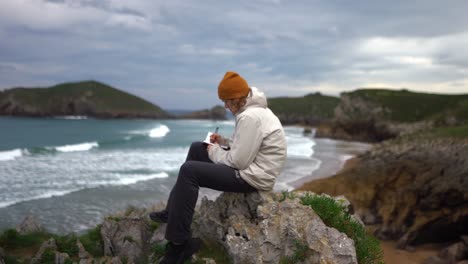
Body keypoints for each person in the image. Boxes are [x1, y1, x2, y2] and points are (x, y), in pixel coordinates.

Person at [150, 71, 287, 264]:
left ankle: (178, 247)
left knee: (189, 171)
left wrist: (214, 150)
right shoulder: (254, 110)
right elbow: (246, 143)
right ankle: (171, 212)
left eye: (228, 101)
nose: (225, 106)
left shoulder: (250, 117)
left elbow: (238, 162)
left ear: (239, 98)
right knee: (197, 148)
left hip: (253, 177)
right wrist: (222, 141)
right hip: (252, 167)